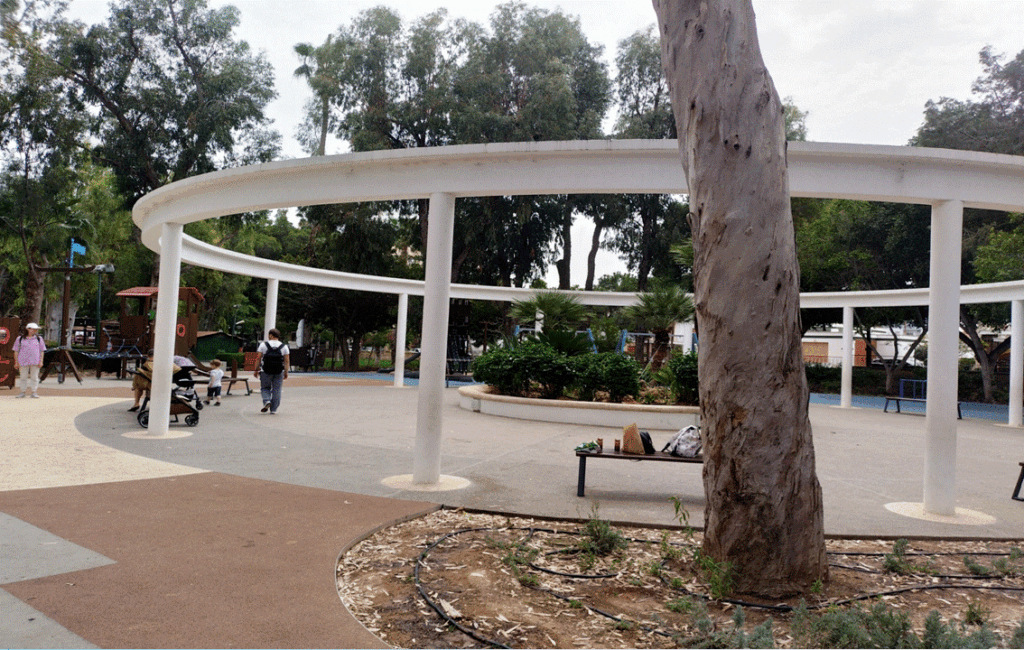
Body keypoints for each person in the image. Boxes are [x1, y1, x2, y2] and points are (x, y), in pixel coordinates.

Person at [254, 328, 289, 414]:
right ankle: (273, 409)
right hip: (278, 371)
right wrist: (286, 372)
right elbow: (287, 361)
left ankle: (266, 401)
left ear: (270, 335)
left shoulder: (263, 345)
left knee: (265, 388)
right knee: (277, 389)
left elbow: (258, 358)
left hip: (265, 370)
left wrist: (256, 369)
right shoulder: (284, 346)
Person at [12, 322, 46, 399]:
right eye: (32, 329)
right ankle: (22, 391)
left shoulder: (39, 339)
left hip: (35, 361)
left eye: (35, 329)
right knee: (23, 377)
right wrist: (16, 362)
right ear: (27, 329)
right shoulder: (19, 339)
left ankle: (34, 392)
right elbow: (16, 351)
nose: (34, 331)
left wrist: (41, 361)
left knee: (34, 377)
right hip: (23, 361)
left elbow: (42, 350)